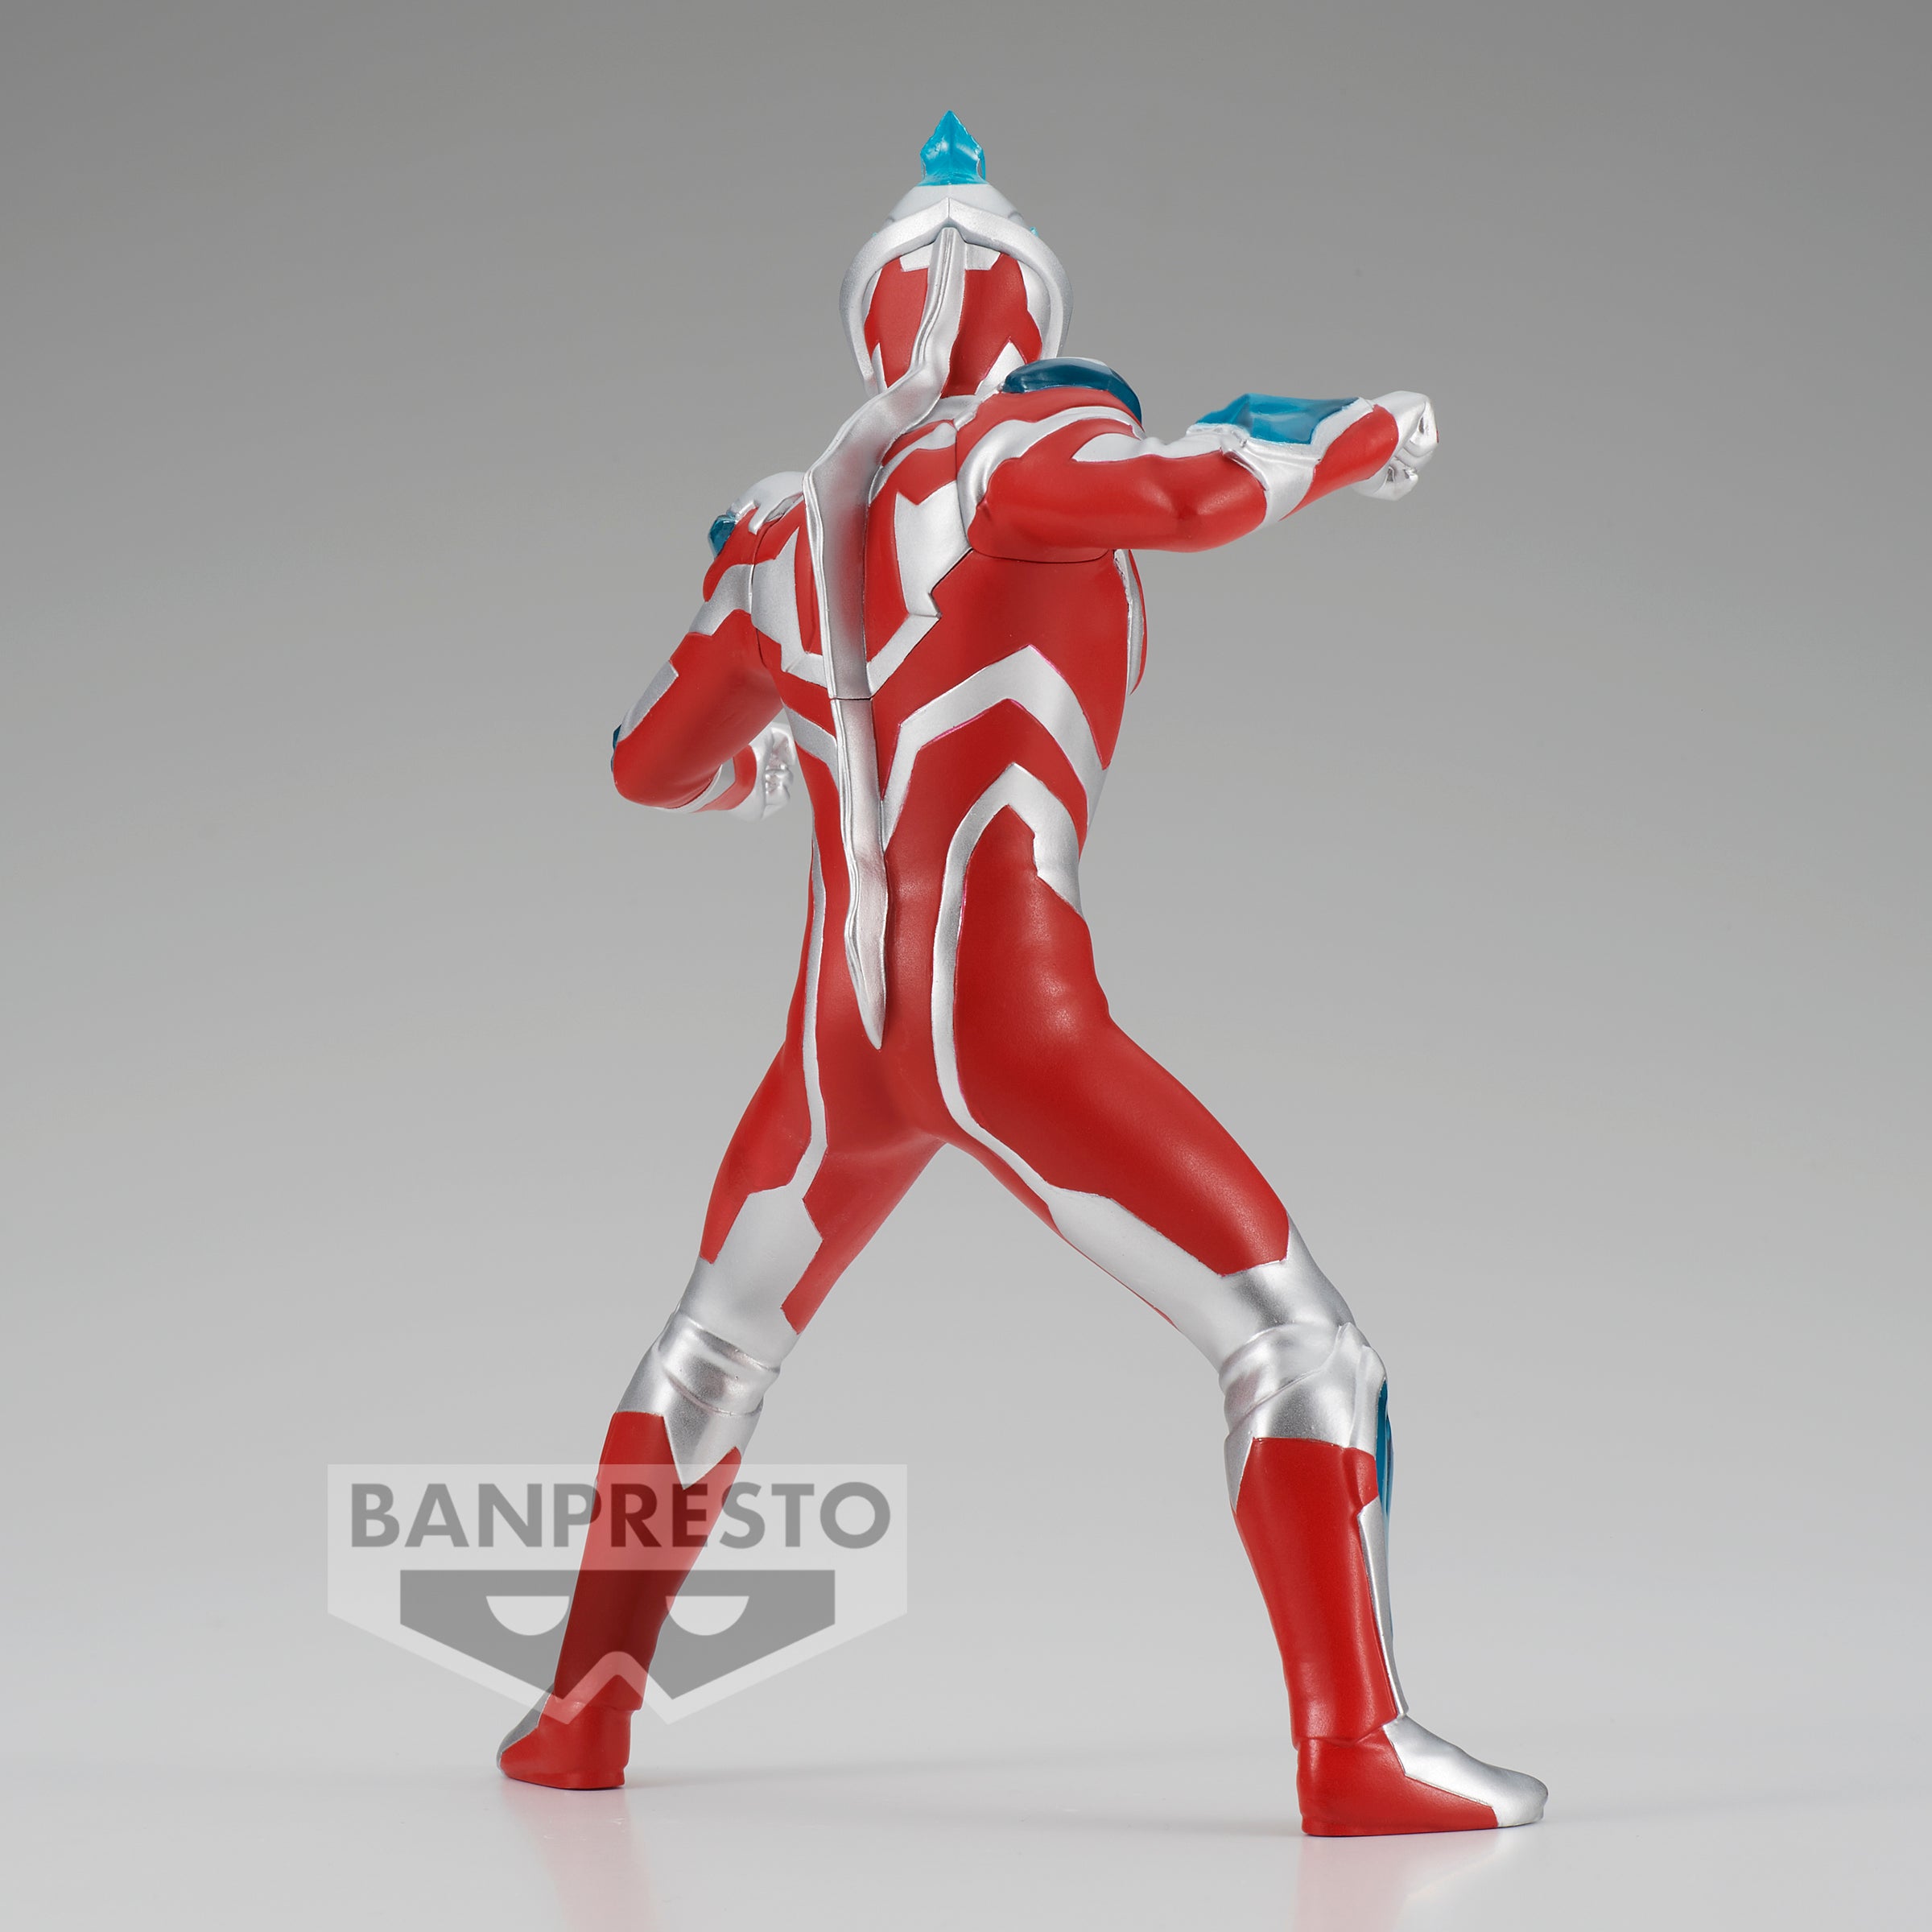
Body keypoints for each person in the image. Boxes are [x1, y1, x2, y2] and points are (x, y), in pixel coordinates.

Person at [498, 112, 1546, 1837]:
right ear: (1030, 311)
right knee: (1300, 1348)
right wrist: (1363, 435)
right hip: (1007, 1013)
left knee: (713, 1343)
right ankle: (1354, 1748)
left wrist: (757, 772)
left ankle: (575, 1724)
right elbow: (1194, 498)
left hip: (844, 1042)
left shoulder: (776, 538)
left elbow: (644, 766)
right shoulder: (1016, 451)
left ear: (870, 322)